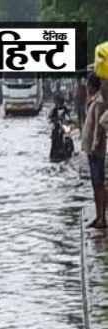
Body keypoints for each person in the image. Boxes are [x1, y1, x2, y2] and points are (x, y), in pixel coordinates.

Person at [82, 73, 107, 228]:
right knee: (95, 184)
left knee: (98, 184)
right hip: (92, 150)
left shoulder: (98, 103)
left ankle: (102, 218)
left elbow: (99, 126)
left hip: (96, 150)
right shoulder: (92, 101)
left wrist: (95, 145)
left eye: (88, 85)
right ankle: (99, 216)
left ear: (92, 86)